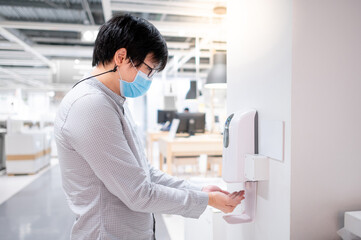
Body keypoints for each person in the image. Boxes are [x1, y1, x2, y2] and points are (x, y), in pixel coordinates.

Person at [54, 14, 245, 240]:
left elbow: (144, 173)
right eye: (149, 69)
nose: (149, 78)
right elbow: (138, 193)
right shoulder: (91, 106)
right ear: (121, 57)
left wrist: (198, 191)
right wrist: (208, 201)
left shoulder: (114, 101)